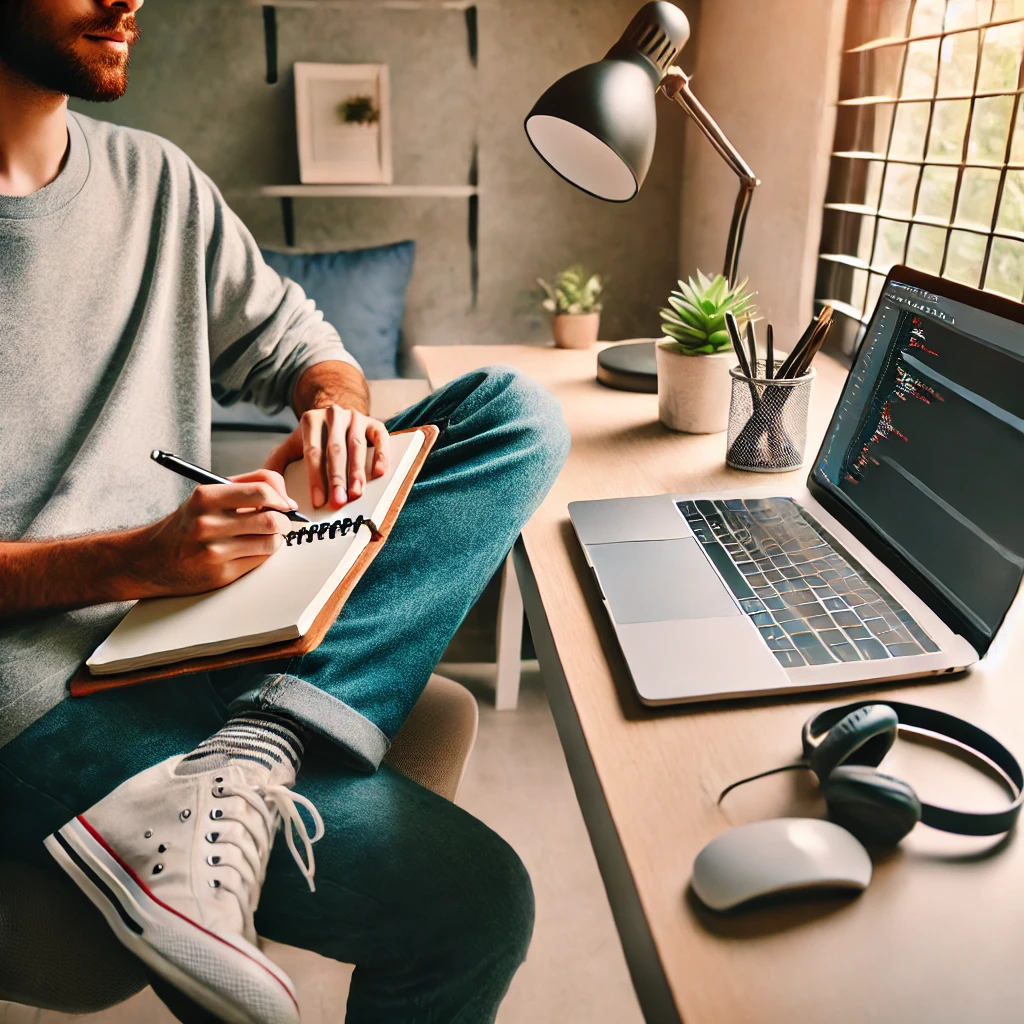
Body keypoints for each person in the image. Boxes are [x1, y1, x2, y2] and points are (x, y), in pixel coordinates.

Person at [0, 1, 570, 1021]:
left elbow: (301, 338)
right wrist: (131, 560)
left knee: (512, 413)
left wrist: (333, 409)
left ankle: (253, 750)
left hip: (189, 630)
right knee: (477, 903)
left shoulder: (156, 181)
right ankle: (213, 793)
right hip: (32, 699)